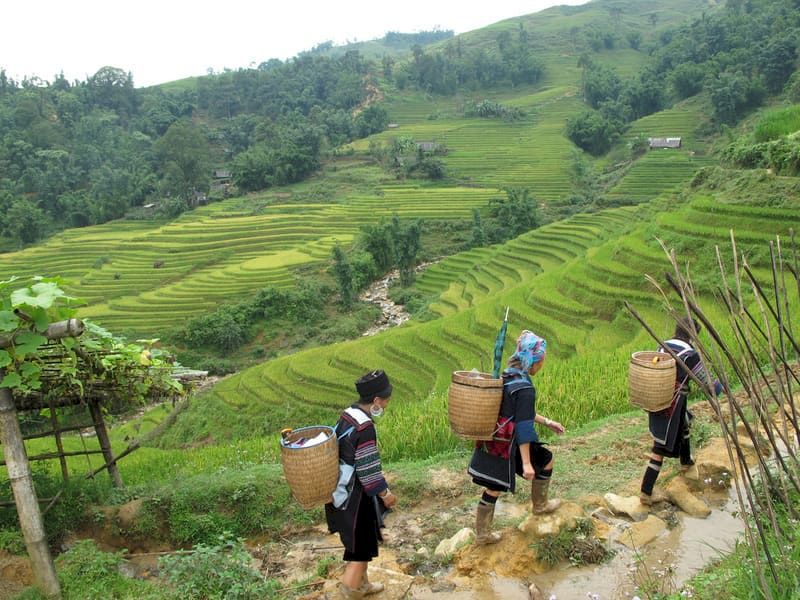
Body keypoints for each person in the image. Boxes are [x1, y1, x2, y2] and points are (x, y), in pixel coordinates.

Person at [468, 330, 566, 545]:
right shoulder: (525, 387)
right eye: (542, 360)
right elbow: (523, 427)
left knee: (493, 486)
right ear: (535, 361)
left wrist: (548, 422)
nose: (543, 364)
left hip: (494, 439)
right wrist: (528, 463)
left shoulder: (509, 373)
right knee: (544, 461)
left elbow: (520, 412)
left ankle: (483, 534)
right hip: (509, 442)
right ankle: (539, 506)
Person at [325, 370, 397, 599]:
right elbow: (368, 471)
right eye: (385, 400)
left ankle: (362, 585)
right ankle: (349, 592)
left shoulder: (348, 414)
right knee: (358, 553)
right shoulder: (365, 428)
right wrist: (386, 494)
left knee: (360, 545)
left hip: (340, 492)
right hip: (355, 499)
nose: (386, 405)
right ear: (376, 401)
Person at [640, 317, 723, 505]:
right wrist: (719, 387)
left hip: (660, 400)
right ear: (692, 335)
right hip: (672, 406)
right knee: (659, 448)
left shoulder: (662, 346)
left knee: (685, 423)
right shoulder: (689, 354)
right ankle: (646, 491)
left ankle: (686, 462)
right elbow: (705, 380)